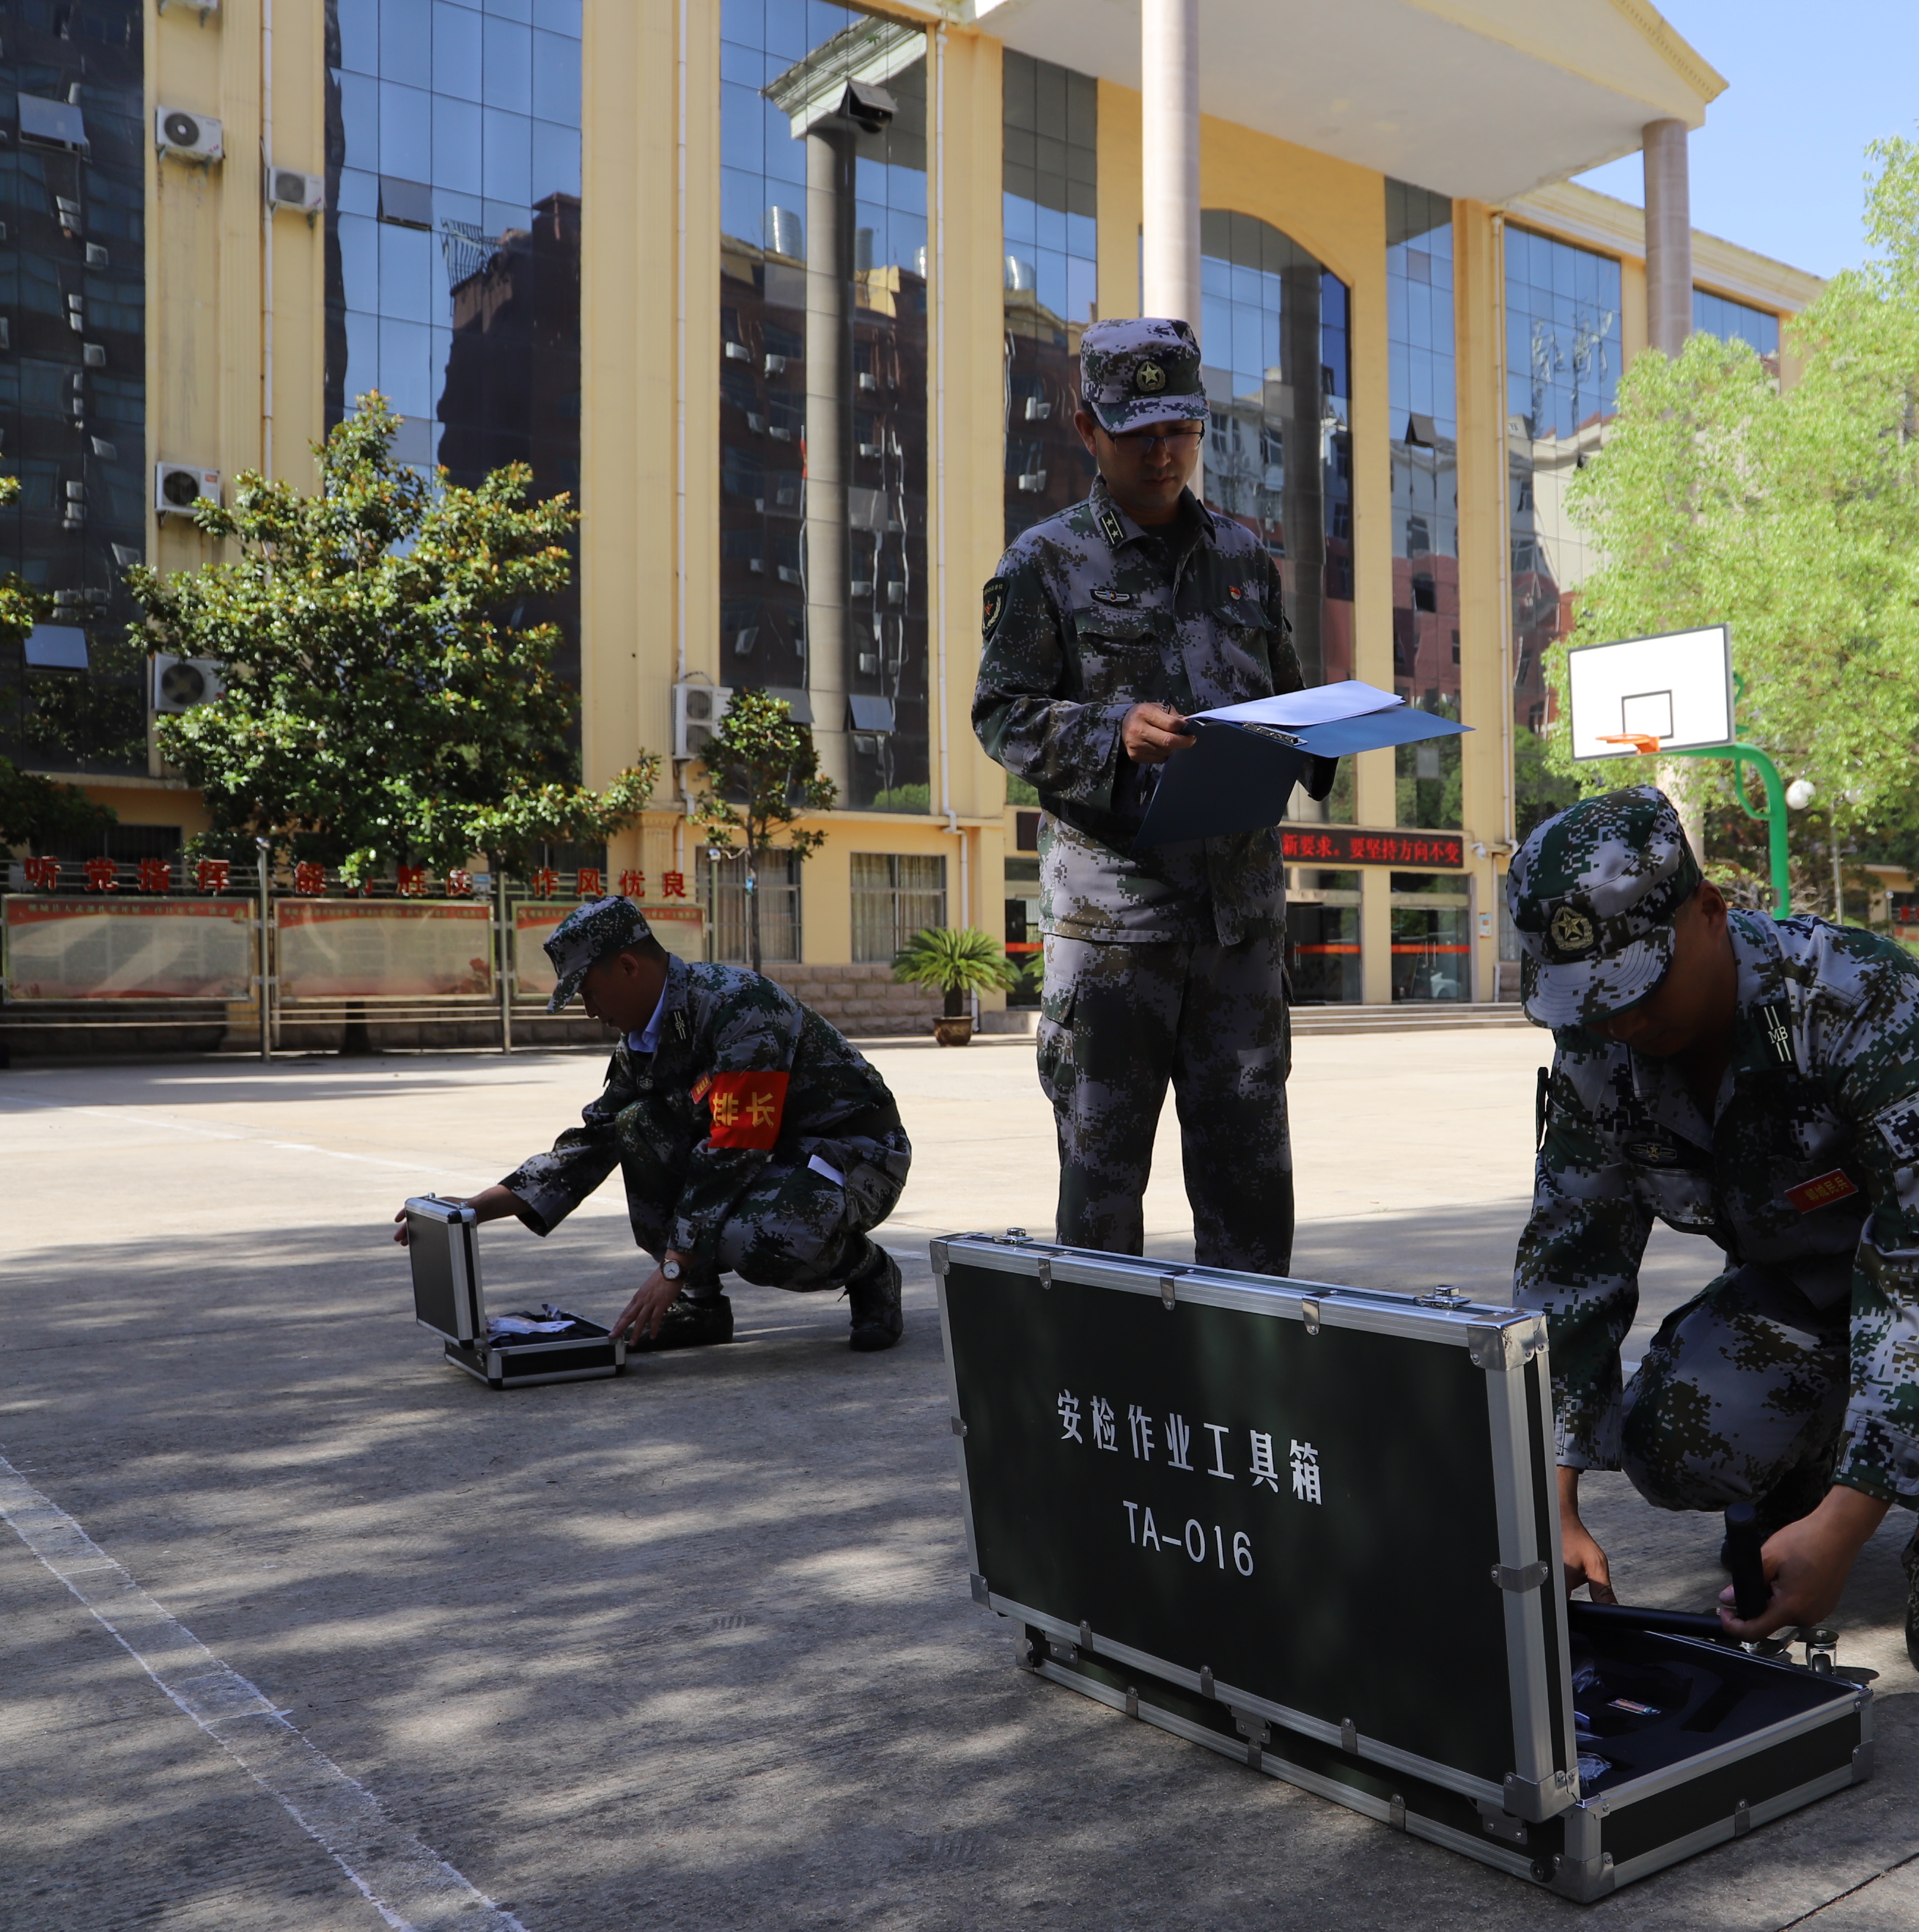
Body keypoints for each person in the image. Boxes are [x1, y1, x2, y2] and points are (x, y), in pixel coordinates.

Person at [1509, 787, 1919, 1681]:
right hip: (1809, 1287)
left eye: (1638, 984)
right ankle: (1796, 1486)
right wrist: (1547, 1497)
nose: (1620, 1021)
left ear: (1707, 909)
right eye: (1585, 1000)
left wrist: (1848, 1527)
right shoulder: (1598, 1046)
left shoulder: (1857, 1001)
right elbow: (1571, 1259)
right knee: (1673, 1438)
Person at [971, 317, 1335, 1273]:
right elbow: (1000, 714)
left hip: (1238, 929)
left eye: (1180, 429)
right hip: (1113, 936)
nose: (1163, 452)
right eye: (1139, 433)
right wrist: (1112, 732)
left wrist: (1330, 730)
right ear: (1088, 429)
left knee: (1250, 1185)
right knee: (1101, 1196)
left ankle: (1247, 1359)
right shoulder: (1043, 563)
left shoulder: (1245, 560)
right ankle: (1112, 1362)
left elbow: (1285, 693)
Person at [393, 893, 910, 1352]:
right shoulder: (642, 1040)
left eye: (589, 993)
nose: (589, 1012)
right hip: (774, 1157)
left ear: (627, 966)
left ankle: (870, 1271)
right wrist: (477, 1208)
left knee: (756, 1237)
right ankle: (701, 1307)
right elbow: (593, 1139)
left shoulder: (739, 1006)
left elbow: (736, 1145)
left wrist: (672, 1265)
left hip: (851, 1154)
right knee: (638, 1124)